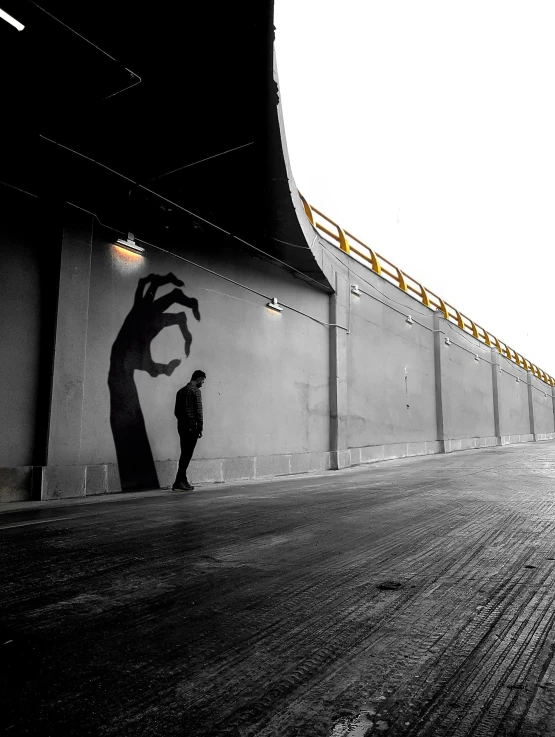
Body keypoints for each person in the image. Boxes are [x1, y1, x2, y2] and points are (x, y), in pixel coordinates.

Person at [173, 370, 206, 491]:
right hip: (192, 426)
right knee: (187, 454)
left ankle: (183, 480)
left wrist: (183, 421)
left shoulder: (180, 391)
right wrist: (200, 427)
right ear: (198, 378)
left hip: (181, 426)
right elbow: (199, 411)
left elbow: (176, 411)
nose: (202, 383)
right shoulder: (196, 391)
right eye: (202, 380)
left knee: (184, 453)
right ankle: (178, 481)